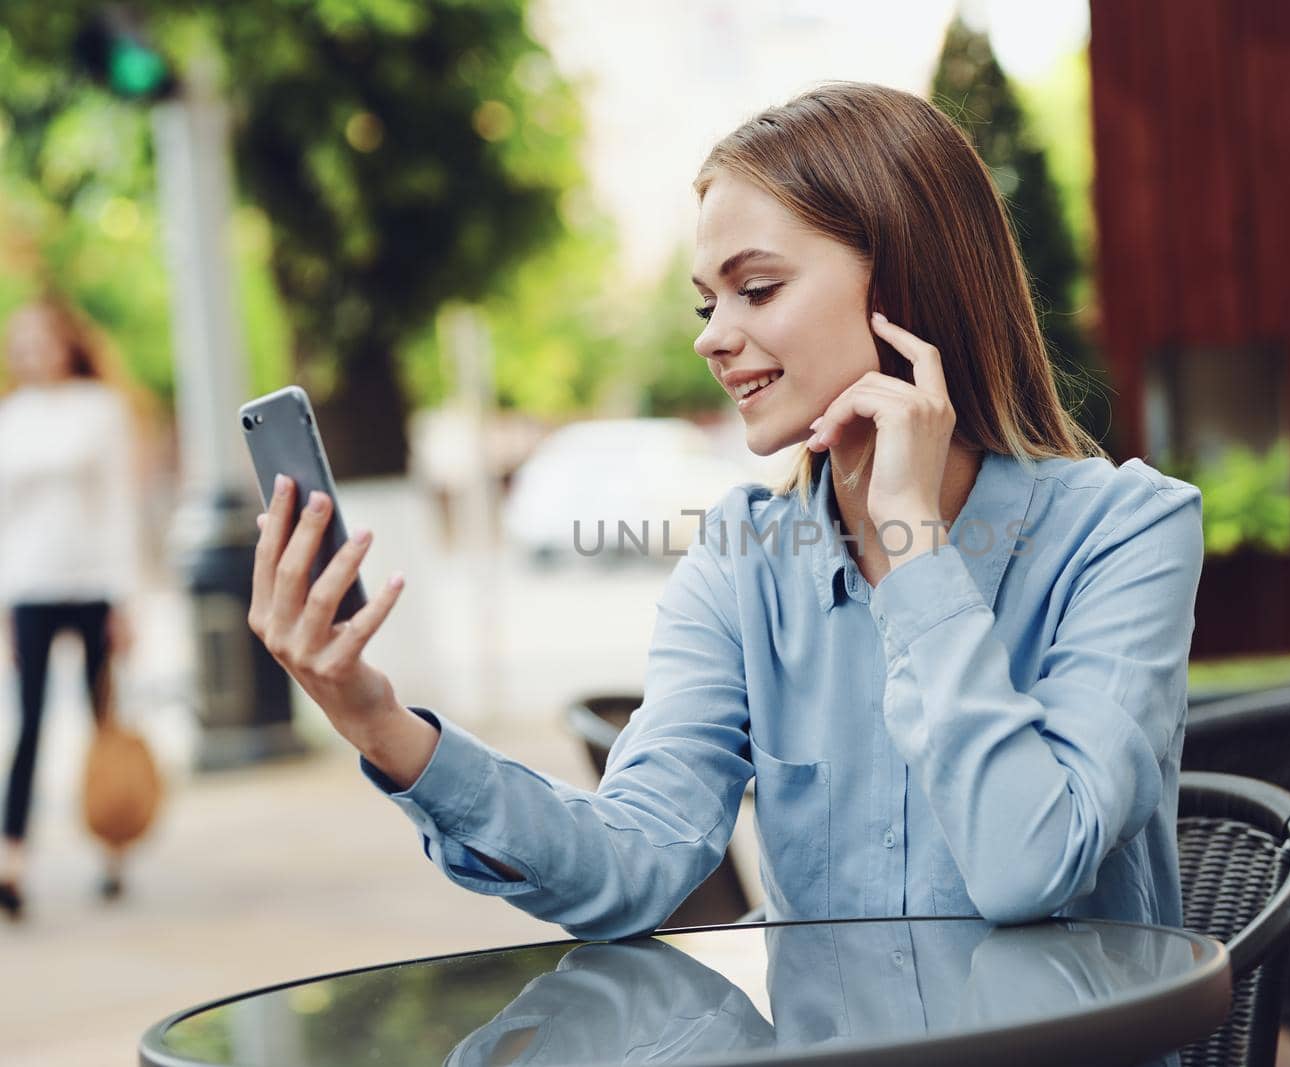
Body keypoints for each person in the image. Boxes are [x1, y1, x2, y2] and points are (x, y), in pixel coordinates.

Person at [248, 81, 1204, 942]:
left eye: (756, 289)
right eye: (706, 303)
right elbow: (635, 863)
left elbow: (1024, 866)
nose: (712, 337)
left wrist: (912, 543)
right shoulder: (744, 557)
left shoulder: (1128, 532)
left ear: (906, 288)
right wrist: (380, 724)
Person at [0, 295, 146, 921]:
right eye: (21, 340)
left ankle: (111, 849)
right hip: (30, 587)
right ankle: (12, 859)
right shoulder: (11, 416)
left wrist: (125, 597)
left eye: (42, 338)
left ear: (66, 342)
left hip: (93, 586)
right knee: (29, 723)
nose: (33, 351)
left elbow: (120, 506)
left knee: (100, 717)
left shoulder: (101, 410)